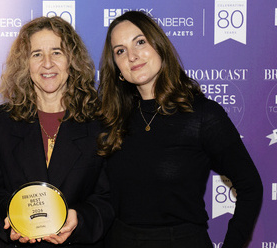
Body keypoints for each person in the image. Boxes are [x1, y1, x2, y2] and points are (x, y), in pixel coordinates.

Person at [98, 11, 263, 248]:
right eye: (120, 51)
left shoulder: (202, 115)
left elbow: (250, 186)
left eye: (140, 42)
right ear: (117, 68)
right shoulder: (110, 118)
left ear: (159, 47)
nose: (132, 56)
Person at [0, 16, 114, 248]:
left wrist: (79, 220)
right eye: (37, 54)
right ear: (25, 64)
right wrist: (11, 220)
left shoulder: (99, 124)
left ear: (71, 61)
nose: (47, 63)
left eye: (57, 52)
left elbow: (108, 199)